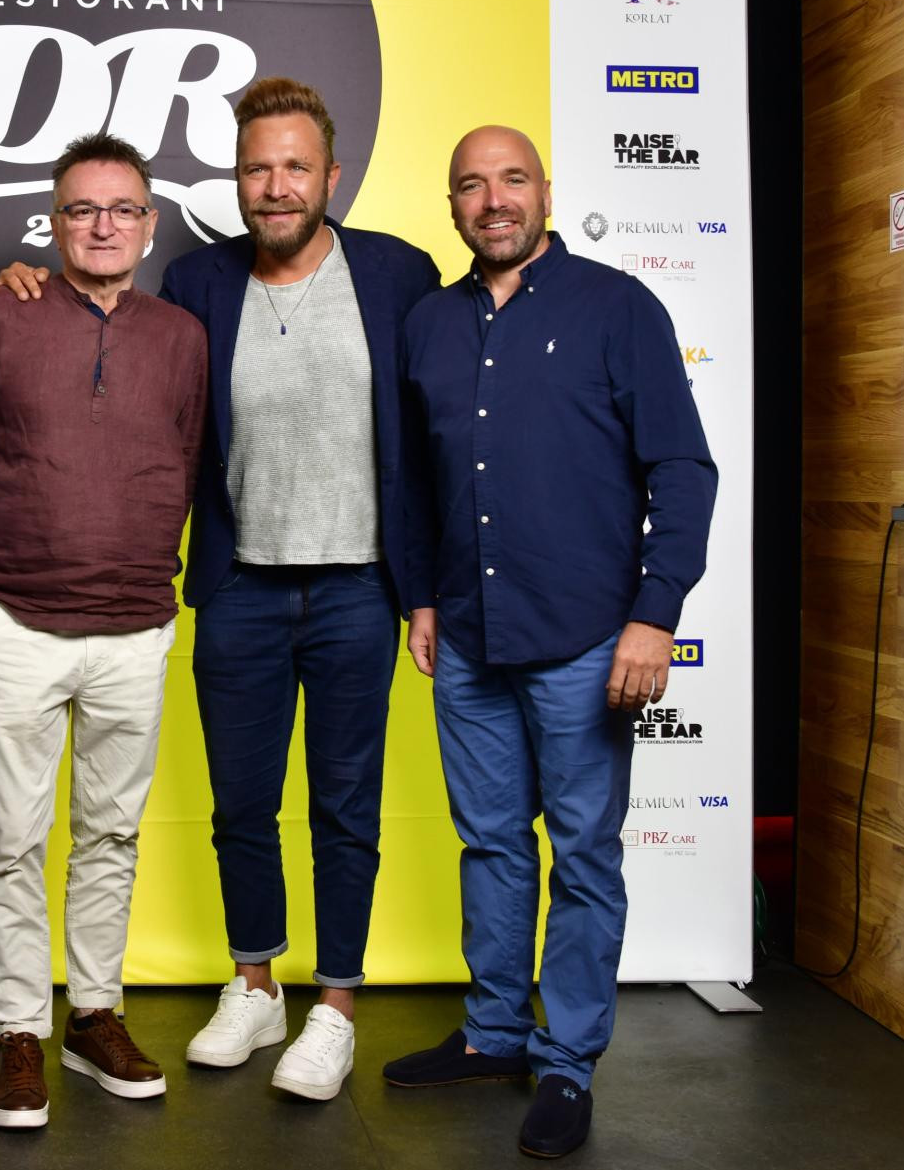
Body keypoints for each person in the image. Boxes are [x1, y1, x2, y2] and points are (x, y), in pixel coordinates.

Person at [0, 78, 440, 1101]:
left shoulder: (399, 273)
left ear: (332, 175)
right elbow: (113, 341)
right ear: (235, 180)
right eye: (255, 168)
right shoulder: (198, 280)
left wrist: (428, 587)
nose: (275, 186)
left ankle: (335, 1004)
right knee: (242, 804)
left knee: (345, 805)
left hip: (359, 586)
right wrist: (24, 282)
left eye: (294, 166)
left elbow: (438, 427)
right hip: (238, 584)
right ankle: (255, 983)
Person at [383, 125, 715, 1158]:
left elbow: (683, 468)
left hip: (586, 637)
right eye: (471, 185)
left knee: (582, 855)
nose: (493, 200)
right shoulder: (428, 323)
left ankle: (566, 1058)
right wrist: (421, 596)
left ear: (545, 193)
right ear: (452, 205)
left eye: (512, 179)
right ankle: (493, 1033)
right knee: (490, 843)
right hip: (468, 637)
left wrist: (655, 614)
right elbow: (414, 477)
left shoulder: (618, 306)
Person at [0, 132, 207, 1129]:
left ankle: (93, 1015)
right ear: (54, 222)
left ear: (150, 223)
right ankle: (18, 1029)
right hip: (22, 616)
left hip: (136, 622)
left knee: (112, 832)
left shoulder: (181, 334)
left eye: (122, 209)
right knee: (11, 835)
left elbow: (185, 457)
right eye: (83, 209)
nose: (103, 226)